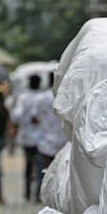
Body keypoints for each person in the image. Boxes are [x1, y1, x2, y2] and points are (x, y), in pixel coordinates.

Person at [11, 74, 43, 201]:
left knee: (28, 166)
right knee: (40, 167)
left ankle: (27, 192)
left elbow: (16, 115)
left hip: (26, 138)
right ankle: (38, 194)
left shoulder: (23, 98)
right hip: (42, 139)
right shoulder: (43, 97)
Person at [35, 72, 66, 201]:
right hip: (63, 143)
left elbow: (35, 117)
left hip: (45, 141)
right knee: (60, 173)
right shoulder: (66, 96)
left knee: (44, 171)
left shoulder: (42, 98)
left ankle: (40, 194)